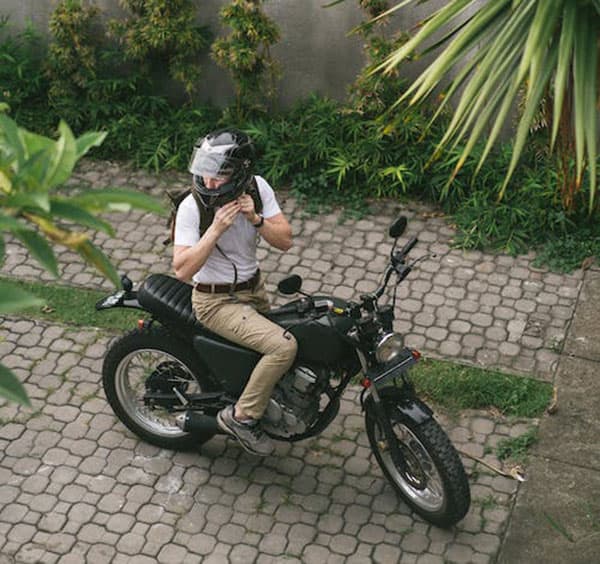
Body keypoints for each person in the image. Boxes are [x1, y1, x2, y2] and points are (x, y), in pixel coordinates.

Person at [172, 128, 297, 456]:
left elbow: (285, 240)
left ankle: (265, 401)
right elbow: (182, 269)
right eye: (204, 173)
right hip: (214, 300)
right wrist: (215, 229)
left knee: (267, 352)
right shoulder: (191, 207)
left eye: (218, 175)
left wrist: (255, 218)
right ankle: (241, 418)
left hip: (254, 290)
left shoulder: (258, 188)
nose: (209, 183)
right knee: (283, 349)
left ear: (241, 173)